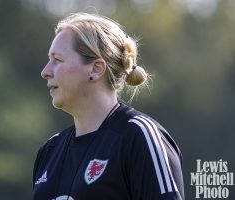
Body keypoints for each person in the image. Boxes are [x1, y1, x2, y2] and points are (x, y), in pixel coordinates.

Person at [33, 12, 184, 200]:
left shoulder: (140, 137)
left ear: (96, 69)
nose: (45, 72)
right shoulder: (49, 152)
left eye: (58, 60)